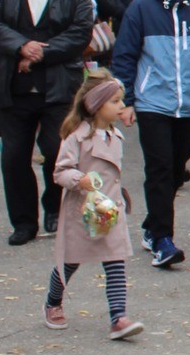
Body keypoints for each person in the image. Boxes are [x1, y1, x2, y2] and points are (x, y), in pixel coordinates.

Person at [110, 0, 190, 270]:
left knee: (175, 170)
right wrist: (125, 100)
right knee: (158, 170)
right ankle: (163, 240)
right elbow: (125, 57)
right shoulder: (141, 9)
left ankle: (150, 227)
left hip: (187, 105)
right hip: (152, 104)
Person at [0, 0, 95, 246]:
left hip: (58, 87)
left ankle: (54, 209)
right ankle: (23, 222)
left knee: (56, 153)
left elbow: (80, 34)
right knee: (14, 158)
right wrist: (21, 46)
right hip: (14, 88)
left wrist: (41, 51)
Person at [46, 75, 144, 340]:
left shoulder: (115, 134)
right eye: (115, 101)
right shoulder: (76, 137)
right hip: (83, 211)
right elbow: (60, 172)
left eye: (121, 99)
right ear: (97, 105)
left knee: (115, 262)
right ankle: (53, 301)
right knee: (70, 261)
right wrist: (80, 179)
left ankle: (118, 319)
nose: (121, 105)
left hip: (109, 210)